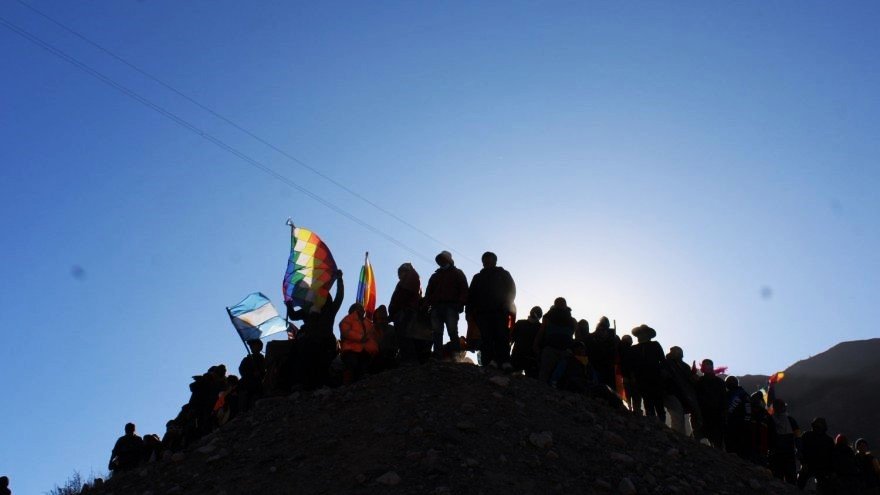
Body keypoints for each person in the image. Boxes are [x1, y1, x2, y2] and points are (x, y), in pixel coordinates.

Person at [466, 252, 516, 370]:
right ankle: (488, 362)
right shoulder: (477, 277)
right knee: (486, 338)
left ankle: (505, 362)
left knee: (501, 336)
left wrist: (506, 303)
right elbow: (471, 295)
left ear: (494, 261)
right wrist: (469, 311)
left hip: (500, 311)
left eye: (489, 259)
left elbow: (512, 289)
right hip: (482, 313)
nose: (486, 262)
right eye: (484, 260)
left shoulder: (503, 274)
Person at [297, 270, 344, 389]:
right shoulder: (310, 311)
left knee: (321, 362)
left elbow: (340, 295)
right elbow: (293, 316)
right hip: (313, 343)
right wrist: (288, 305)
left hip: (326, 343)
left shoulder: (329, 310)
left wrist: (339, 279)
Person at [425, 250, 468, 358]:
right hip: (436, 307)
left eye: (443, 259)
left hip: (451, 306)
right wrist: (427, 305)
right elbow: (428, 293)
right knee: (437, 333)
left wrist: (461, 303)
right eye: (440, 259)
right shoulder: (434, 276)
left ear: (448, 260)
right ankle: (438, 355)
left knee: (452, 331)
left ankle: (456, 355)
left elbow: (464, 289)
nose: (441, 261)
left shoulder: (458, 273)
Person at [534, 297, 576, 383]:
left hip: (564, 352)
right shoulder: (548, 317)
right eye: (559, 303)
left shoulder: (572, 321)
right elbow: (541, 332)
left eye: (562, 303)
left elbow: (576, 337)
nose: (561, 305)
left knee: (561, 378)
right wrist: (535, 344)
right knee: (545, 375)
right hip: (551, 350)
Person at [630, 324, 666, 421]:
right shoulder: (634, 348)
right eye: (638, 334)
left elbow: (663, 360)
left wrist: (663, 372)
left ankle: (661, 423)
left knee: (658, 402)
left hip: (655, 377)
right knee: (647, 401)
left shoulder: (655, 345)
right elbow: (631, 364)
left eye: (641, 334)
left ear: (647, 335)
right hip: (641, 378)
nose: (639, 336)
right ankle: (652, 422)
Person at [389, 263, 422, 365]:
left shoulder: (410, 278)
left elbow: (403, 296)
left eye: (401, 272)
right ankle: (408, 360)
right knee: (404, 336)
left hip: (405, 311)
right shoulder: (406, 281)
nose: (399, 275)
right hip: (403, 311)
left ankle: (410, 360)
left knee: (405, 336)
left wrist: (394, 310)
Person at [339, 302, 378, 384]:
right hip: (351, 350)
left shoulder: (368, 322)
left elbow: (373, 335)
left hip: (365, 350)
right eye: (359, 308)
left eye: (362, 308)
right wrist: (360, 338)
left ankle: (360, 382)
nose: (362, 310)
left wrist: (374, 348)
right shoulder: (348, 319)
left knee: (363, 366)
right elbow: (346, 331)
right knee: (351, 366)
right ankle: (347, 384)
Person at [664, 346, 700, 436]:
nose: (679, 354)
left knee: (681, 417)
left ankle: (681, 438)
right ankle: (677, 437)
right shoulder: (667, 363)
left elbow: (689, 380)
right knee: (677, 415)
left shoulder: (685, 366)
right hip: (671, 393)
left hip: (683, 394)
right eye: (676, 352)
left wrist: (694, 377)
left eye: (679, 352)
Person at [695, 359, 726, 448]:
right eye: (706, 365)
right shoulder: (699, 381)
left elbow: (723, 399)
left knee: (716, 442)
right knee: (698, 440)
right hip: (702, 414)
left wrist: (723, 412)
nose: (708, 367)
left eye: (709, 365)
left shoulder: (719, 382)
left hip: (716, 415)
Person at [798, 417, 834, 493]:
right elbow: (800, 450)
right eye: (817, 424)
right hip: (808, 467)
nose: (818, 426)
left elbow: (832, 457)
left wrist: (830, 471)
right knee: (799, 488)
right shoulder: (806, 436)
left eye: (820, 424)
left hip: (822, 470)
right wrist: (803, 463)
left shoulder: (829, 440)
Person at [768, 399, 800, 484]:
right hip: (788, 453)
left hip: (775, 453)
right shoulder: (790, 420)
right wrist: (799, 450)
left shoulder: (769, 419)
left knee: (777, 478)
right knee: (791, 479)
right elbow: (798, 437)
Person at [587, 316, 618, 390]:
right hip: (595, 366)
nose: (602, 331)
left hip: (608, 368)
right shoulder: (591, 337)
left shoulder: (614, 338)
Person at [510, 306, 543, 378]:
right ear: (540, 316)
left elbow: (511, 339)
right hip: (531, 358)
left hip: (517, 354)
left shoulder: (520, 323)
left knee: (511, 377)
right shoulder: (541, 327)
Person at [724, 375, 752, 457]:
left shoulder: (740, 394)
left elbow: (748, 411)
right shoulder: (744, 394)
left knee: (737, 452)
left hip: (737, 427)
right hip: (736, 426)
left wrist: (746, 424)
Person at [238, 339, 266, 412]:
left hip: (257, 384)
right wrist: (251, 373)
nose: (251, 347)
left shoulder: (261, 358)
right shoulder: (247, 359)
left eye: (253, 345)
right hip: (246, 384)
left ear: (259, 347)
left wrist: (259, 372)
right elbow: (241, 370)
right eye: (251, 346)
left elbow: (264, 369)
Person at [618, 334, 642, 415]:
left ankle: (630, 411)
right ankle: (635, 412)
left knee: (628, 397)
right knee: (635, 397)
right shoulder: (631, 350)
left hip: (624, 376)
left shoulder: (619, 348)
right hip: (630, 377)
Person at [371, 305, 398, 372]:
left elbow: (396, 344)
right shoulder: (371, 330)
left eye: (384, 318)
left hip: (390, 356)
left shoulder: (392, 329)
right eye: (380, 318)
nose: (382, 321)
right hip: (375, 358)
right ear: (376, 319)